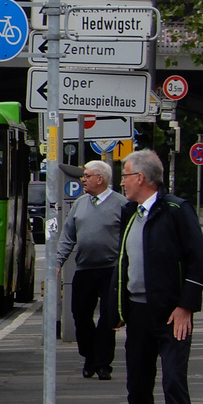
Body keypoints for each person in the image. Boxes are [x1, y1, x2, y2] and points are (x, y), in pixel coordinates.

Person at [114, 149, 203, 404]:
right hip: (138, 312)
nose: (122, 181)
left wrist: (186, 307)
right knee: (137, 387)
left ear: (141, 178)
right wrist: (117, 308)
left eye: (125, 175)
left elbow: (198, 262)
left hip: (171, 314)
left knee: (173, 384)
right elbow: (123, 262)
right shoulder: (130, 212)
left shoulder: (176, 211)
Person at [55, 161, 127, 380]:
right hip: (85, 268)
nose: (82, 180)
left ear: (100, 178)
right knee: (80, 314)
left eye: (87, 176)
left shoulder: (121, 204)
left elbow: (128, 237)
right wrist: (57, 263)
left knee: (107, 317)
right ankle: (89, 355)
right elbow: (68, 236)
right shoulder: (80, 204)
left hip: (111, 269)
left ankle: (103, 363)